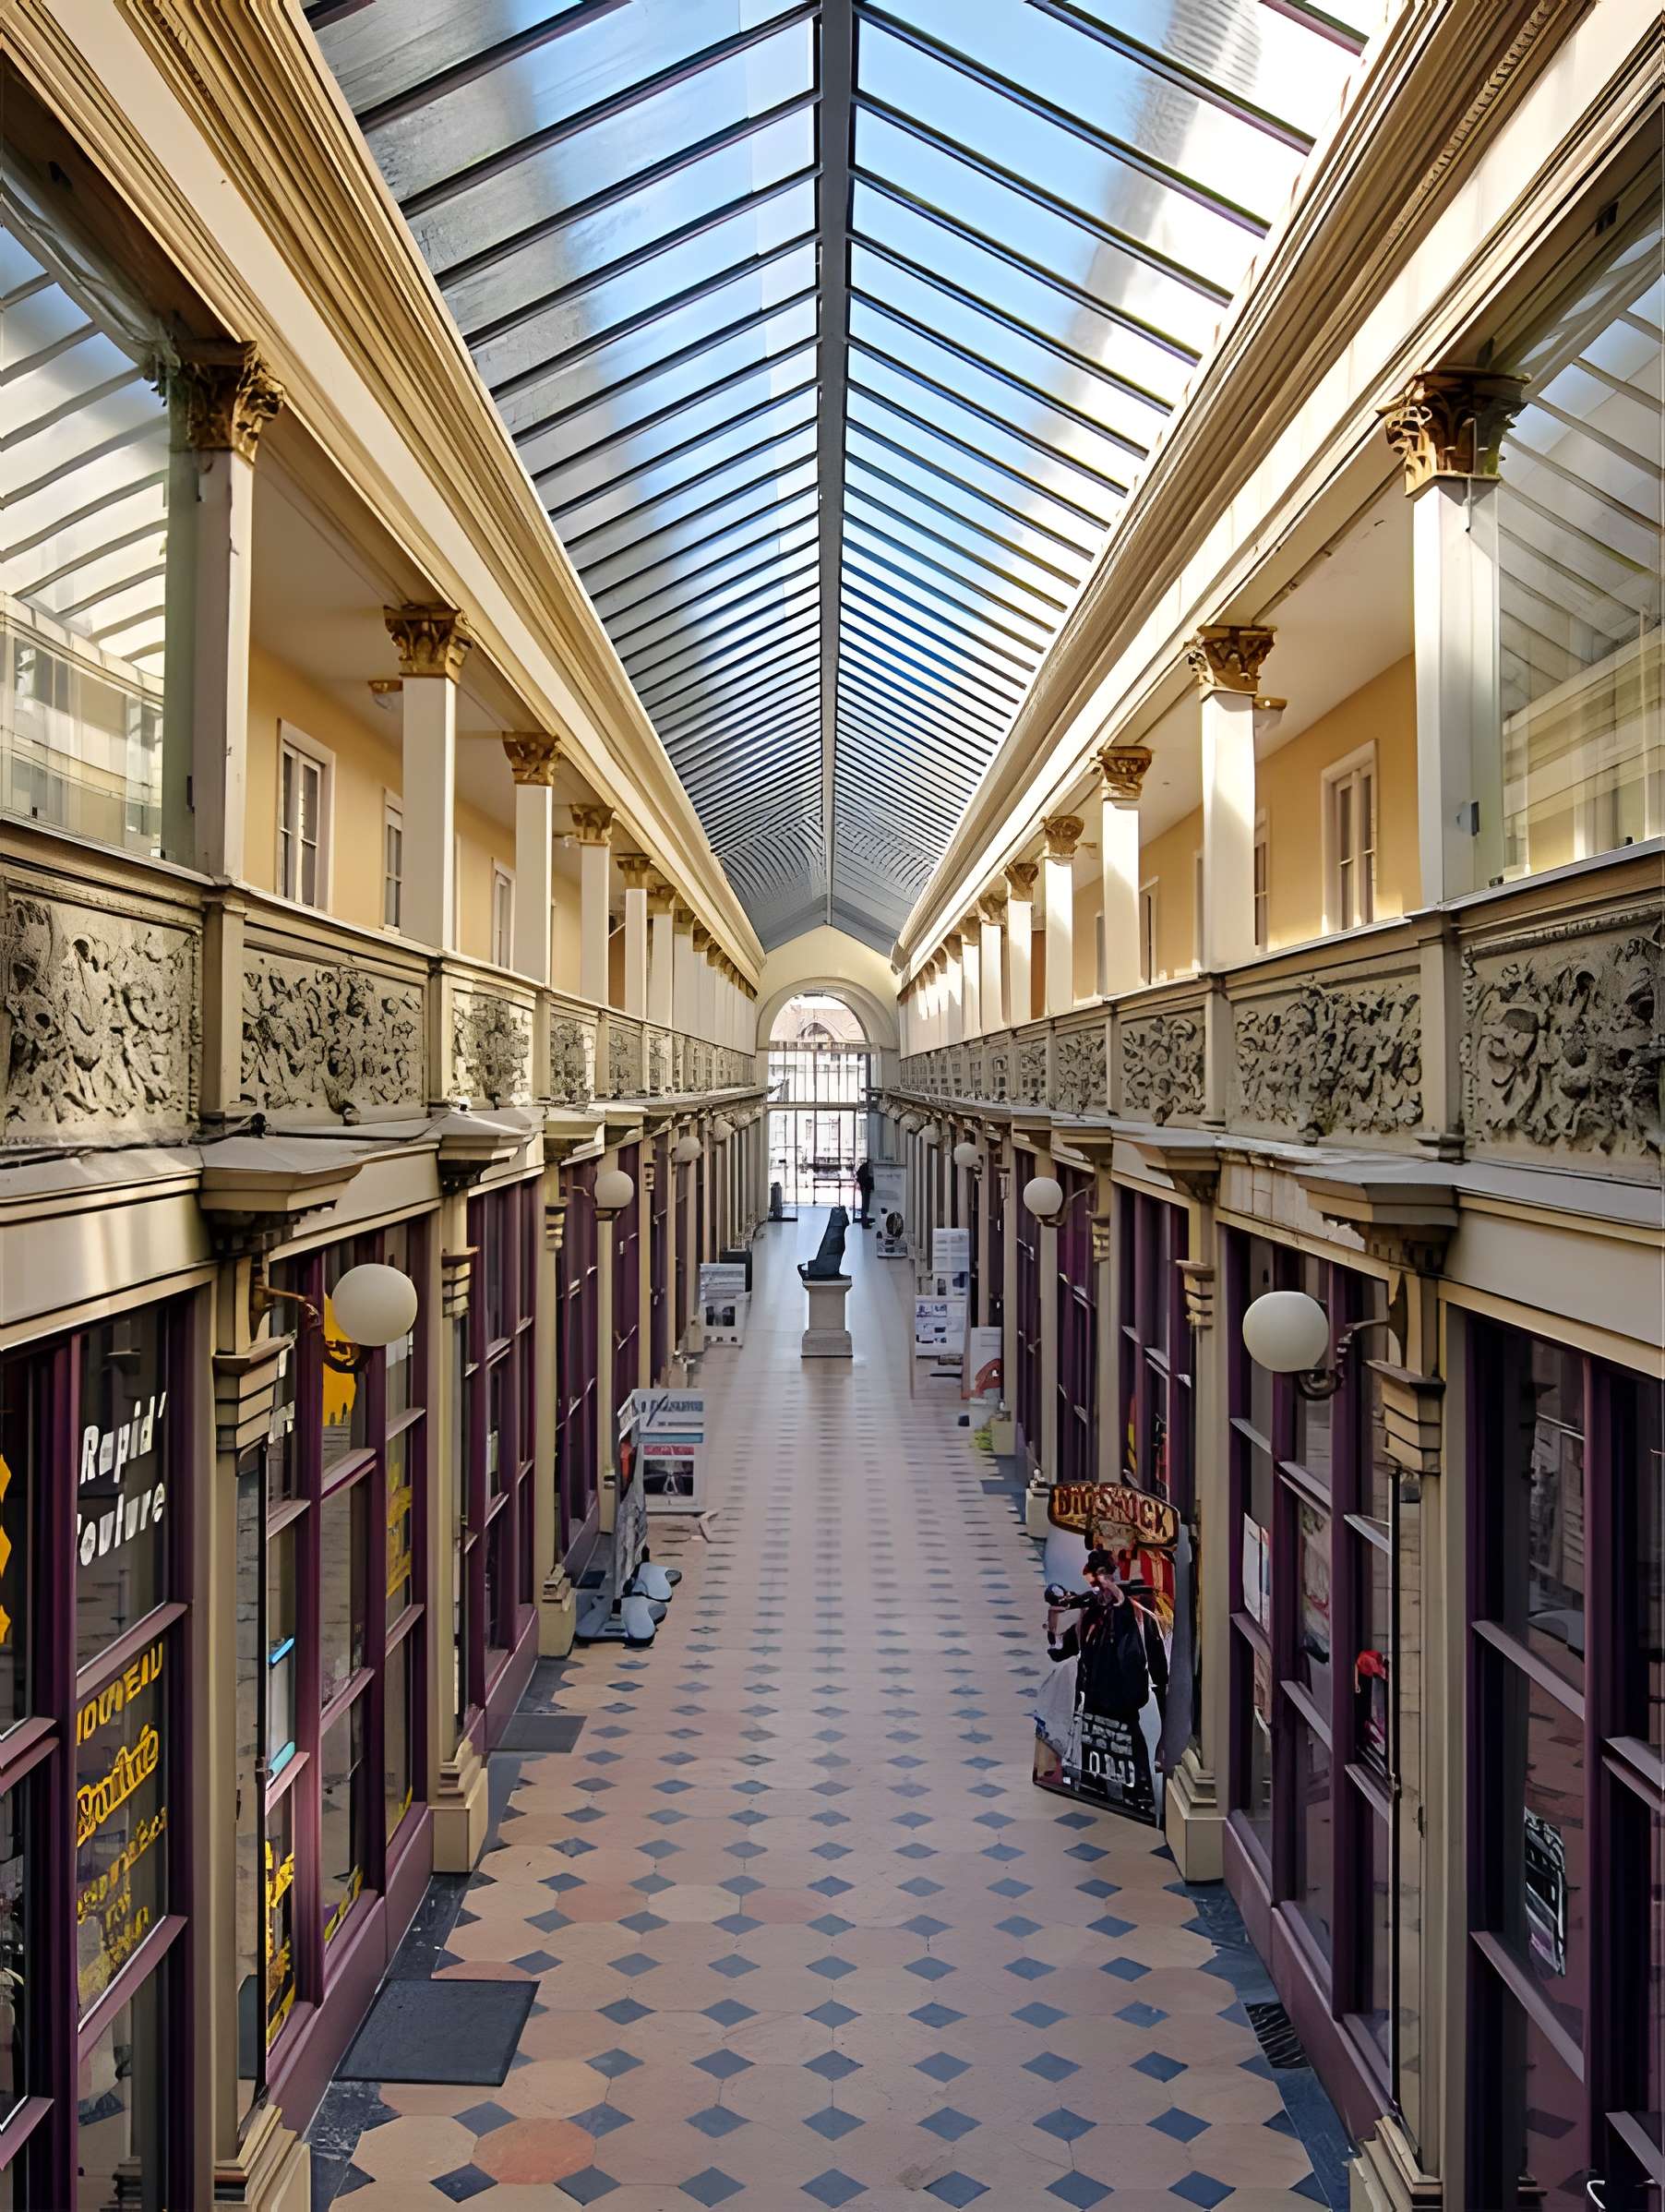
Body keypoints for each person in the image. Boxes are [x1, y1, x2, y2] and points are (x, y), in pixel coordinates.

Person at [854, 1157, 874, 1226]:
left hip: (865, 1187)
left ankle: (865, 1220)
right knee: (865, 1205)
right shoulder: (866, 1168)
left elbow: (859, 1176)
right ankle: (865, 1221)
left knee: (865, 1204)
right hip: (866, 1188)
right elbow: (864, 1178)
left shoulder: (864, 1167)